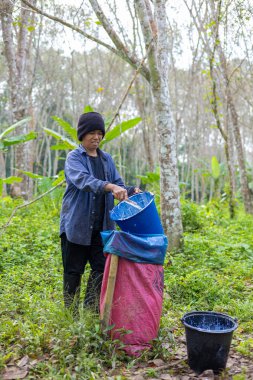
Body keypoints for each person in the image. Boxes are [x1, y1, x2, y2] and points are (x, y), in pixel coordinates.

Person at [60, 111, 140, 314]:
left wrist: (129, 190)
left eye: (99, 133)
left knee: (99, 270)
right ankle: (70, 316)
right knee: (73, 272)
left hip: (102, 228)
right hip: (76, 227)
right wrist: (110, 187)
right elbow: (83, 181)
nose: (96, 137)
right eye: (91, 133)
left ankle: (89, 313)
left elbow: (118, 184)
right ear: (82, 134)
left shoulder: (107, 160)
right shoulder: (74, 158)